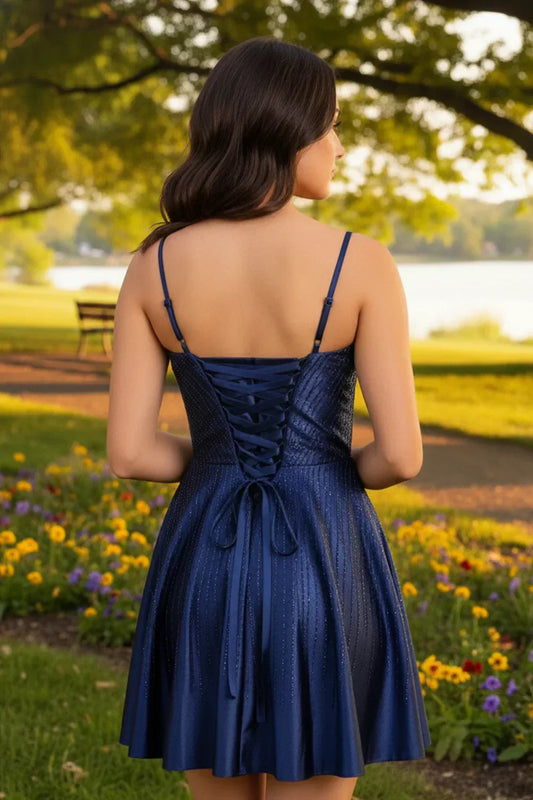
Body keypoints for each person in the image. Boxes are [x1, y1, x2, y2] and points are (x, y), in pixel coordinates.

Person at [107, 35, 431, 800]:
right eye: (331, 124)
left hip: (204, 555)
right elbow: (401, 457)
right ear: (286, 130)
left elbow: (129, 453)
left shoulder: (153, 266)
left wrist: (218, 458)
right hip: (325, 547)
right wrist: (324, 467)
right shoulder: (362, 263)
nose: (340, 146)